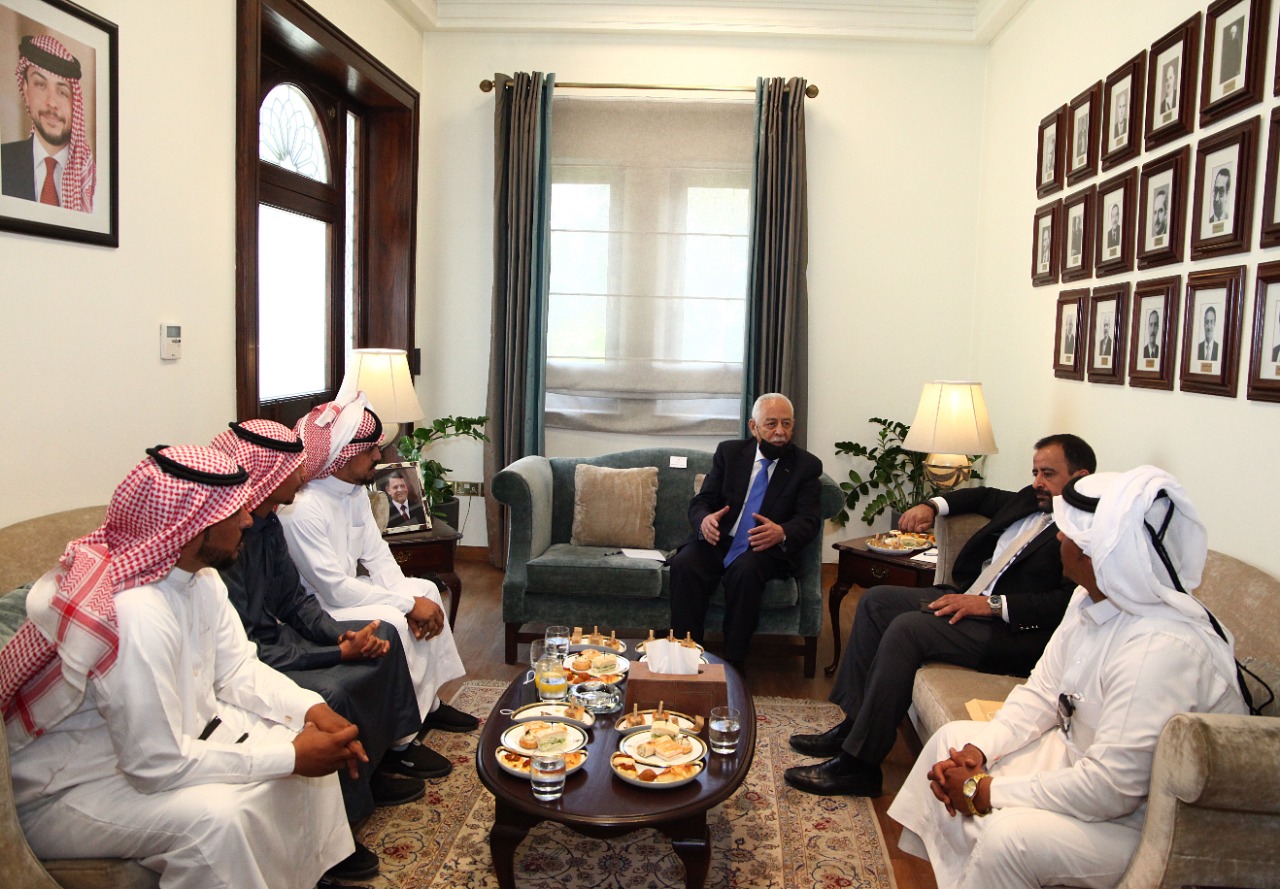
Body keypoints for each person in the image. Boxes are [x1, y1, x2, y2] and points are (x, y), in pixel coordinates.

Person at [0, 446, 360, 889]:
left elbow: (237, 670)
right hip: (73, 787)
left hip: (167, 743)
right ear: (192, 529)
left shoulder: (201, 578)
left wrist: (310, 709)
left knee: (298, 742)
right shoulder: (135, 612)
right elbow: (154, 764)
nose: (248, 521)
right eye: (234, 512)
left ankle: (307, 877)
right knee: (219, 821)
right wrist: (291, 756)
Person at [888, 466, 1247, 889]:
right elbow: (1042, 693)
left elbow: (1110, 789)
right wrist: (977, 752)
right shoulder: (1086, 597)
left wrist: (984, 791)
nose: (1059, 536)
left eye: (1070, 531)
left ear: (1100, 552)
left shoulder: (1159, 647)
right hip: (1077, 759)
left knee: (1009, 837)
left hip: (1145, 824)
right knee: (950, 742)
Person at [785, 435, 1095, 798]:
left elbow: (1066, 602)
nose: (1038, 482)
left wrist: (991, 605)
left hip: (1008, 631)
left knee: (908, 630)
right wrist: (931, 505)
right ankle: (852, 728)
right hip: (969, 595)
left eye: (1048, 474)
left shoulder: (1087, 534)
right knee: (876, 602)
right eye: (1035, 472)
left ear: (1080, 477)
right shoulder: (1033, 498)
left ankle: (859, 767)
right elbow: (980, 496)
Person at [213, 420, 439, 834]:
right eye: (294, 467)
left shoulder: (267, 525)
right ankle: (346, 822)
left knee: (382, 637)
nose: (305, 473)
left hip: (279, 637)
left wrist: (342, 636)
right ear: (270, 476)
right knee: (334, 690)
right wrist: (338, 652)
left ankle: (380, 762)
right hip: (256, 653)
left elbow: (294, 603)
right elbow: (245, 645)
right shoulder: (227, 546)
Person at [278, 393, 474, 776]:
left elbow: (378, 556)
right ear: (342, 455)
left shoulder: (352, 492)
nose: (379, 457)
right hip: (321, 608)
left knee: (428, 591)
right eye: (370, 450)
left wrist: (412, 598)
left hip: (347, 592)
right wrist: (407, 607)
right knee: (396, 619)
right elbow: (334, 589)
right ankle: (402, 741)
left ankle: (428, 705)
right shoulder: (302, 509)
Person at [668, 393, 823, 671]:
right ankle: (686, 655)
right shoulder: (729, 454)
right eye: (771, 424)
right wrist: (704, 520)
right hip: (720, 540)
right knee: (685, 564)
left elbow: (809, 520)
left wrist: (782, 531)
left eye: (786, 424)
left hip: (764, 546)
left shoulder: (806, 467)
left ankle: (734, 662)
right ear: (754, 427)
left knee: (745, 572)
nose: (780, 432)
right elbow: (702, 501)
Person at [1, 34, 95, 211]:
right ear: (26, 91)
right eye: (40, 85)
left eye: (62, 92)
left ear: (74, 103)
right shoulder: (3, 162)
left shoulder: (92, 183)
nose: (51, 102)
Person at [1221, 17, 1244, 82]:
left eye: (1234, 33)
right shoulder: (1228, 42)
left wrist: (1237, 65)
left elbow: (1237, 54)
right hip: (1228, 65)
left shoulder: (1236, 42)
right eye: (1232, 33)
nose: (1232, 34)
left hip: (1233, 64)